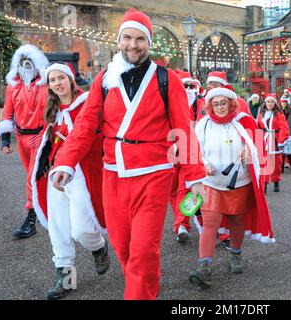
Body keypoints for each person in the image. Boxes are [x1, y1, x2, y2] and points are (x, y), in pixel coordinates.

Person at [50, 8, 206, 300]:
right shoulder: (104, 79)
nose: (133, 45)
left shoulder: (166, 79)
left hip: (154, 174)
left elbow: (184, 129)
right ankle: (145, 285)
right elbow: (84, 126)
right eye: (127, 38)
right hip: (114, 176)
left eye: (140, 39)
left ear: (148, 43)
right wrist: (66, 162)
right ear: (119, 39)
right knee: (123, 248)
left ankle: (140, 292)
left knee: (144, 250)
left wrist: (195, 175)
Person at [31, 62, 109, 300]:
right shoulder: (51, 111)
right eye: (52, 80)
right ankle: (65, 279)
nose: (57, 83)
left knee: (83, 229)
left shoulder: (88, 103)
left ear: (71, 80)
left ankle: (98, 248)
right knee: (59, 229)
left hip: (83, 176)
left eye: (61, 78)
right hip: (56, 176)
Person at [190, 87, 275, 288]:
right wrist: (204, 164)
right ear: (210, 105)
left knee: (237, 221)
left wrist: (249, 154)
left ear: (231, 103)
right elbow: (195, 150)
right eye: (216, 104)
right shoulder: (203, 125)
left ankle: (235, 254)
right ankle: (204, 266)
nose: (220, 107)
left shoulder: (242, 122)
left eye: (224, 103)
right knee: (210, 223)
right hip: (210, 184)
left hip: (239, 182)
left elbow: (257, 148)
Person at [0, 44, 49, 239]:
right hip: (21, 137)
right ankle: (47, 211)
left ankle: (31, 219)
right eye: (23, 61)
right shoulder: (14, 86)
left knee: (32, 178)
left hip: (41, 135)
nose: (26, 64)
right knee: (35, 176)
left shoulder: (45, 84)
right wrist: (5, 140)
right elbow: (8, 113)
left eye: (30, 60)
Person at [169, 69, 205, 243]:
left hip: (191, 152)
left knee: (184, 189)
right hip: (170, 154)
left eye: (191, 85)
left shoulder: (200, 103)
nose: (189, 89)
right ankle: (181, 224)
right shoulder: (168, 102)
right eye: (185, 86)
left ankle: (183, 224)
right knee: (173, 191)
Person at [257, 94, 290, 193]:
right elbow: (257, 127)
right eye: (268, 102)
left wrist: (281, 141)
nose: (270, 104)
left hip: (275, 140)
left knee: (276, 163)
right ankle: (265, 184)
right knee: (264, 163)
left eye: (272, 102)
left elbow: (284, 128)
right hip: (263, 140)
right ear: (265, 103)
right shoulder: (261, 114)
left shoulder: (279, 114)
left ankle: (276, 181)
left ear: (275, 104)